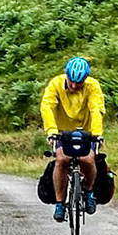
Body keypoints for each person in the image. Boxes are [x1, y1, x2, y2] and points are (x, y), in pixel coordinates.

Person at [42, 56, 105, 221]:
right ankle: (60, 203)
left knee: (87, 160)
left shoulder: (93, 86)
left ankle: (89, 191)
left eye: (79, 83)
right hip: (62, 132)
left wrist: (97, 134)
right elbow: (47, 106)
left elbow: (96, 109)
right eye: (72, 82)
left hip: (86, 132)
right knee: (61, 160)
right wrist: (51, 131)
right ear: (66, 76)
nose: (75, 86)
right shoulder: (55, 84)